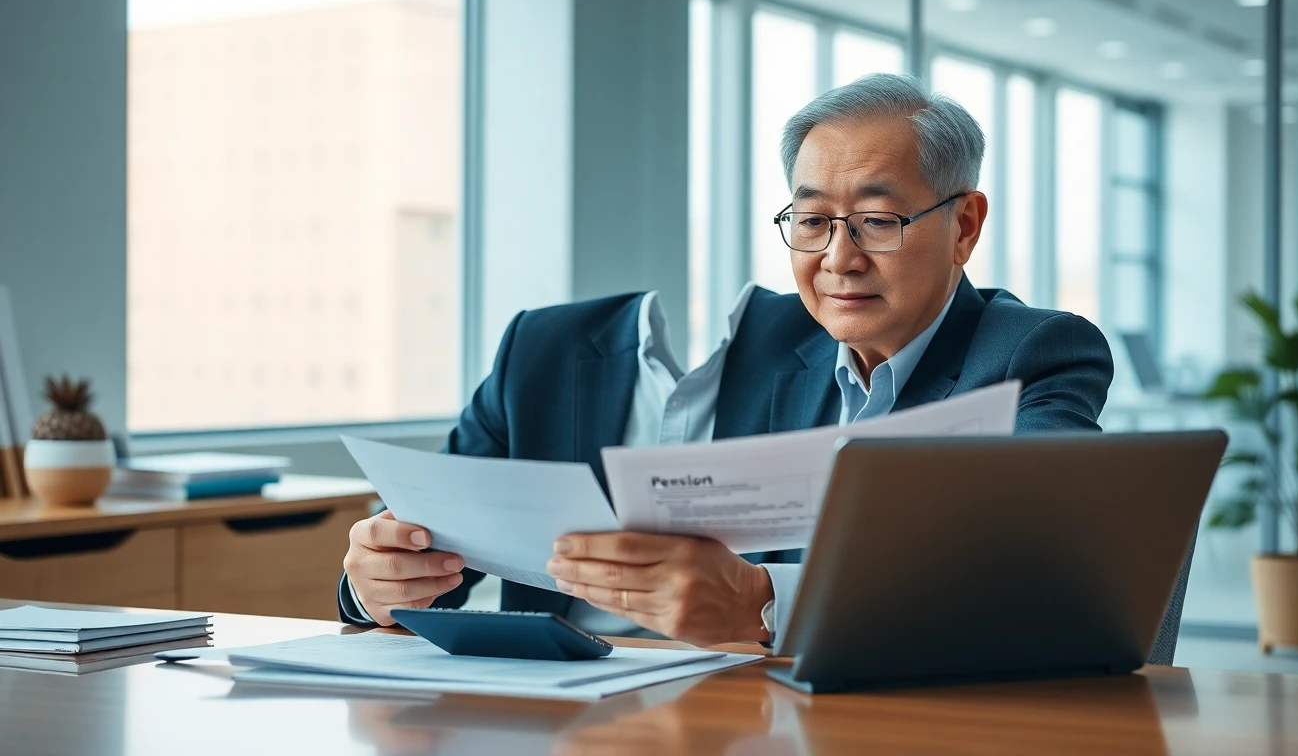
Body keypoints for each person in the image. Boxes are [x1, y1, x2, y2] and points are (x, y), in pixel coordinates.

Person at [338, 73, 1113, 648]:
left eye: (878, 220)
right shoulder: (787, 345)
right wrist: (374, 581)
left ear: (964, 226)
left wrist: (765, 602)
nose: (838, 259)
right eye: (811, 220)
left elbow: (1050, 552)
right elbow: (436, 534)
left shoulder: (1029, 353)